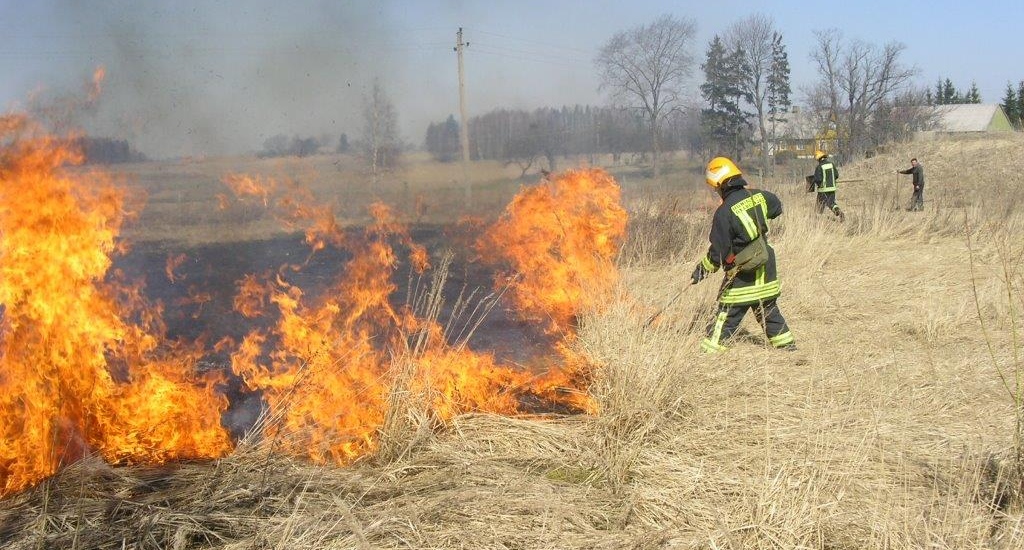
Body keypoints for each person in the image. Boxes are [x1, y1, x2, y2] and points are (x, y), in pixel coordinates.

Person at [691, 156, 795, 353]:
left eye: (716, 187)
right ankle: (787, 348)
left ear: (721, 184)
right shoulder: (760, 196)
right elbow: (777, 208)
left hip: (743, 271)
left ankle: (709, 353)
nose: (716, 191)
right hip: (766, 264)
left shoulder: (724, 212)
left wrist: (701, 271)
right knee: (769, 311)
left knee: (727, 314)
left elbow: (718, 254)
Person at [810, 150, 845, 221]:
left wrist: (813, 181)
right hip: (832, 188)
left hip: (823, 190)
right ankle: (839, 212)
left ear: (818, 159)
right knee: (831, 203)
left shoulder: (819, 167)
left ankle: (817, 220)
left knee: (819, 205)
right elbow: (836, 175)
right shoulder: (831, 164)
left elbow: (818, 179)